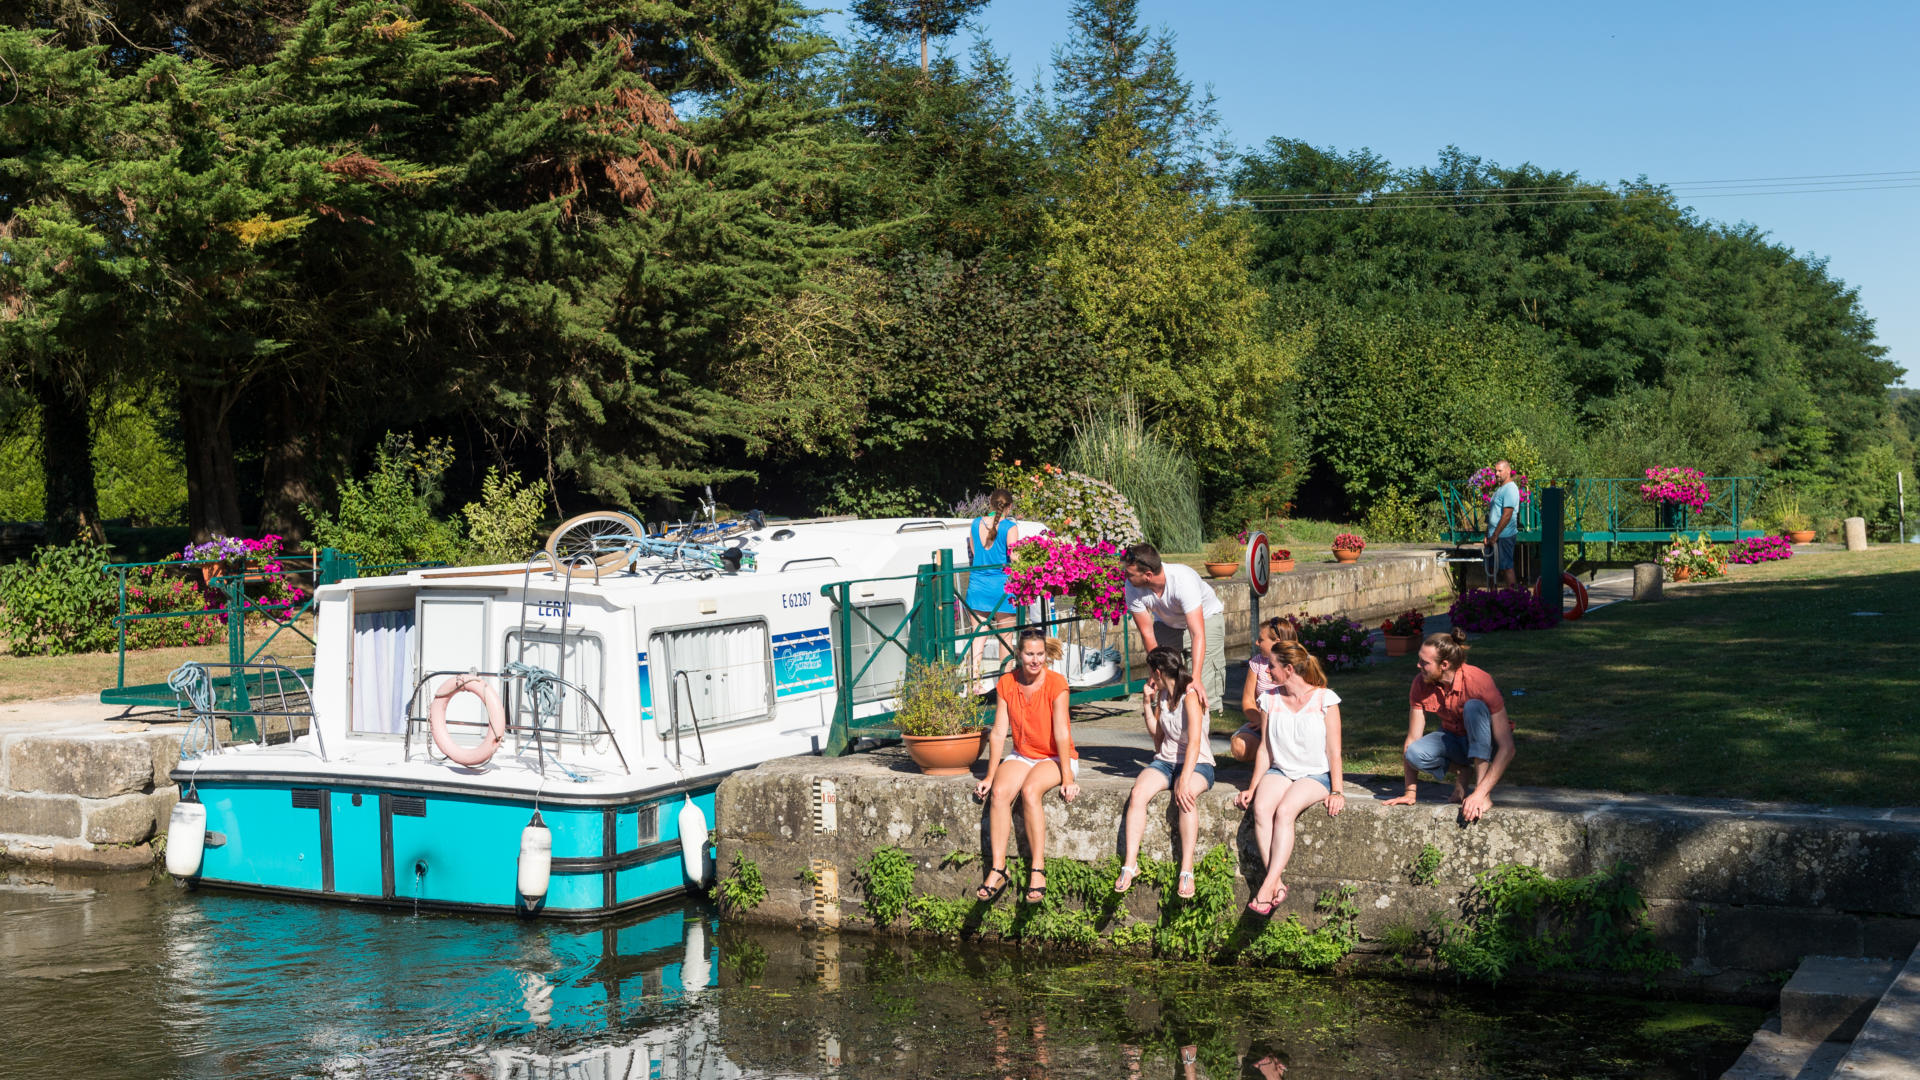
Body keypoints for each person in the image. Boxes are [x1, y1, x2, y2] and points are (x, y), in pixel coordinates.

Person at [1236, 641, 1345, 914]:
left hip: (1315, 774)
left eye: (1271, 666)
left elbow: (1334, 751)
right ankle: (1277, 884)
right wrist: (1252, 787)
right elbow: (1264, 750)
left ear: (1289, 668)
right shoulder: (1269, 699)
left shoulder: (1325, 699)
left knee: (1285, 811)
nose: (1267, 671)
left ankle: (1266, 886)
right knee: (1261, 808)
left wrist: (1337, 790)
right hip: (1280, 770)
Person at [974, 630, 1079, 904]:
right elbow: (998, 732)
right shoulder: (1007, 683)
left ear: (1045, 654)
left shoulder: (1057, 683)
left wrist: (1067, 777)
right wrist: (989, 774)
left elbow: (1062, 733)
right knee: (998, 793)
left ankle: (1037, 869)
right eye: (1029, 654)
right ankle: (998, 868)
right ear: (1019, 655)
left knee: (1031, 791)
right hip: (1023, 754)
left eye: (1040, 654)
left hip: (1056, 757)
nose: (1035, 660)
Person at [1381, 627, 1516, 823]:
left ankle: (1481, 791)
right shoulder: (1421, 683)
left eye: (1424, 662)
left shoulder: (1479, 681)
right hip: (1454, 739)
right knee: (1414, 753)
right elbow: (1412, 738)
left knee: (1473, 707)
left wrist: (1479, 794)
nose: (1418, 665)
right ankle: (1463, 770)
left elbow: (1507, 747)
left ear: (1443, 664)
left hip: (1488, 745)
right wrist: (1410, 792)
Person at [1114, 647, 1216, 899]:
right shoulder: (1162, 695)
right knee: (1138, 793)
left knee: (1186, 796)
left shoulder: (1190, 695)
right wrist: (1147, 703)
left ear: (1157, 672)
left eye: (1151, 672)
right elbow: (1157, 738)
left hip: (1198, 762)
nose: (1150, 677)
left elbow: (1194, 742)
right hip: (1166, 762)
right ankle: (1130, 864)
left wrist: (1183, 781)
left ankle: (1186, 869)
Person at [1122, 543, 1226, 711]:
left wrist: (1196, 678)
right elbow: (1147, 632)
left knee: (1198, 685)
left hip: (1205, 621)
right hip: (1167, 623)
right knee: (1166, 680)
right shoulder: (1132, 586)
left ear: (1148, 575)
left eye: (1129, 573)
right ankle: (1172, 721)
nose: (1125, 576)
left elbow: (1197, 634)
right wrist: (1156, 672)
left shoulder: (1182, 581)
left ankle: (1206, 717)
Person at [963, 488, 1020, 687]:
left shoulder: (976, 523)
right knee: (1005, 639)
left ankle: (974, 683)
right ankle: (1005, 686)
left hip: (977, 586)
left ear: (990, 504)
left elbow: (973, 552)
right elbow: (1014, 556)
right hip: (1002, 588)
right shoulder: (1010, 527)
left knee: (978, 637)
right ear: (1009, 506)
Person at [1230, 618, 1299, 761]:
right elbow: (1248, 700)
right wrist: (1262, 722)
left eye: (1261, 640)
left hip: (1291, 725)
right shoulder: (1257, 662)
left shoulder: (1299, 664)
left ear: (1277, 642)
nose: (1257, 643)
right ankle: (1266, 756)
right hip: (1263, 723)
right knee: (1239, 746)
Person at [1485, 460, 1520, 586]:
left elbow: (1507, 514)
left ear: (1508, 471)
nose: (1497, 474)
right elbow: (1492, 514)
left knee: (1506, 567)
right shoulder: (1499, 490)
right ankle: (1491, 600)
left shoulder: (1510, 488)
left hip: (1504, 536)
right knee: (1490, 569)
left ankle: (1515, 600)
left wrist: (1495, 535)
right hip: (1493, 536)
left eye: (1500, 471)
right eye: (1496, 471)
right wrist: (1487, 534)